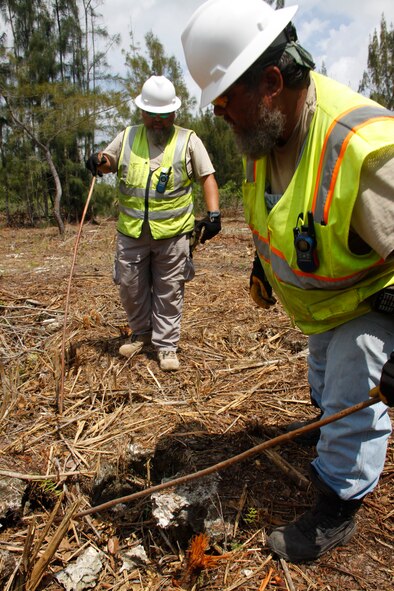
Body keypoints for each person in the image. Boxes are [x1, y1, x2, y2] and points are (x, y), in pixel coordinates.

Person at [181, 0, 394, 562]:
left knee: (352, 377)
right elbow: (275, 211)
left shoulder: (361, 148)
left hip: (375, 302)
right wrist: (264, 265)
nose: (221, 117)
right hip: (324, 306)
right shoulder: (265, 133)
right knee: (326, 387)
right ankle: (332, 429)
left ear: (272, 81)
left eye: (227, 102)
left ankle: (337, 507)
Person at [86, 75, 221, 371]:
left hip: (173, 235)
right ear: (142, 112)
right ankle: (141, 334)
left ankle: (166, 346)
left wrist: (213, 215)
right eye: (152, 115)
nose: (158, 121)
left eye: (164, 116)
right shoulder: (129, 135)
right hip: (132, 233)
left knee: (169, 290)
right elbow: (108, 161)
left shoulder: (188, 139)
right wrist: (97, 161)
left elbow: (207, 176)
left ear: (174, 112)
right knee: (129, 286)